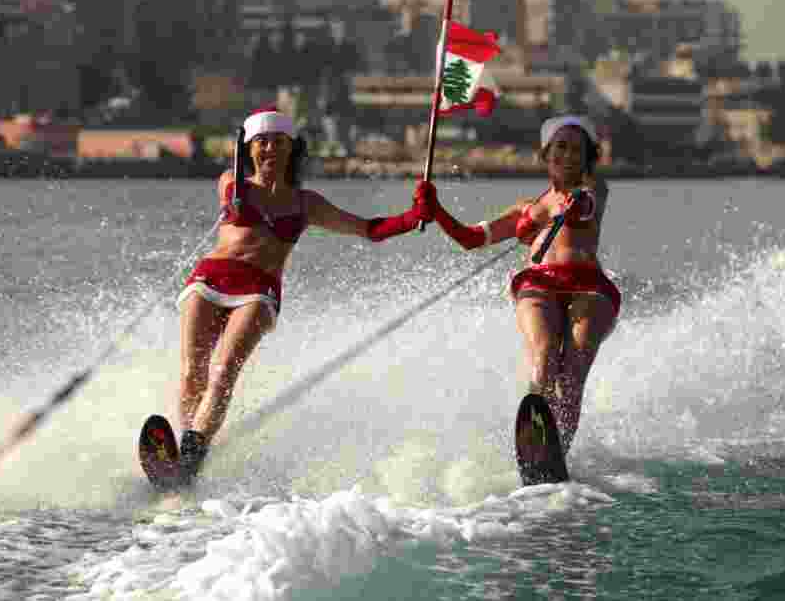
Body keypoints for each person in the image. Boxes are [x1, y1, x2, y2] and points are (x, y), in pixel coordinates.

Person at [172, 107, 434, 487]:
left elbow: (368, 229)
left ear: (292, 149)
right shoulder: (233, 183)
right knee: (192, 370)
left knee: (224, 371)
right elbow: (228, 190)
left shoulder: (305, 203)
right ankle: (182, 449)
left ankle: (192, 457)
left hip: (257, 291)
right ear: (248, 148)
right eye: (261, 142)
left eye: (278, 142)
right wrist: (235, 200)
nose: (269, 150)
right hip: (209, 280)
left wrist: (413, 216)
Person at [422, 115, 620, 460]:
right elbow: (470, 239)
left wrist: (572, 206)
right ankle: (534, 437)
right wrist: (434, 209)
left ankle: (557, 455)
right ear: (546, 153)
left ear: (588, 156)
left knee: (571, 375)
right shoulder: (525, 208)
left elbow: (585, 208)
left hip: (589, 289)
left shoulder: (592, 191)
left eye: (578, 149)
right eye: (561, 146)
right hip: (539, 284)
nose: (569, 155)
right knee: (543, 355)